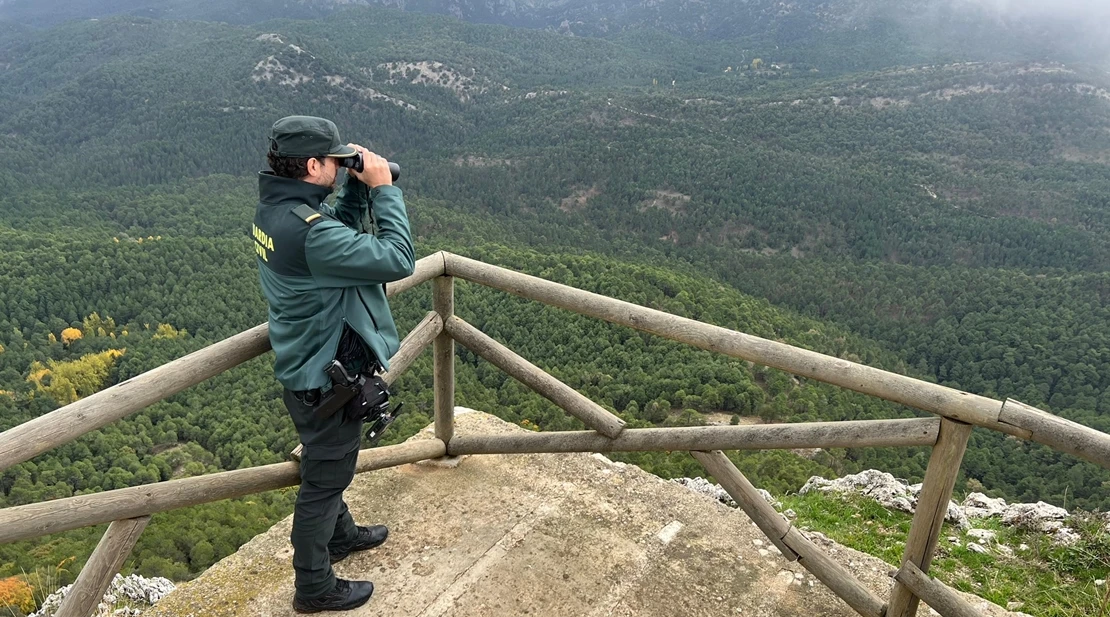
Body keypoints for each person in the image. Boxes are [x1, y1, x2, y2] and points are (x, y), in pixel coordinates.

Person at [253, 115, 415, 613]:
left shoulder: (277, 212)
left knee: (331, 470)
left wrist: (352, 189)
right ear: (310, 165)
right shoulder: (308, 232)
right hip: (328, 380)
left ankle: (340, 537)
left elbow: (333, 233)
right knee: (322, 486)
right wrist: (383, 188)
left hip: (306, 370)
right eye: (333, 161)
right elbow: (398, 258)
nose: (339, 165)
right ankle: (315, 586)